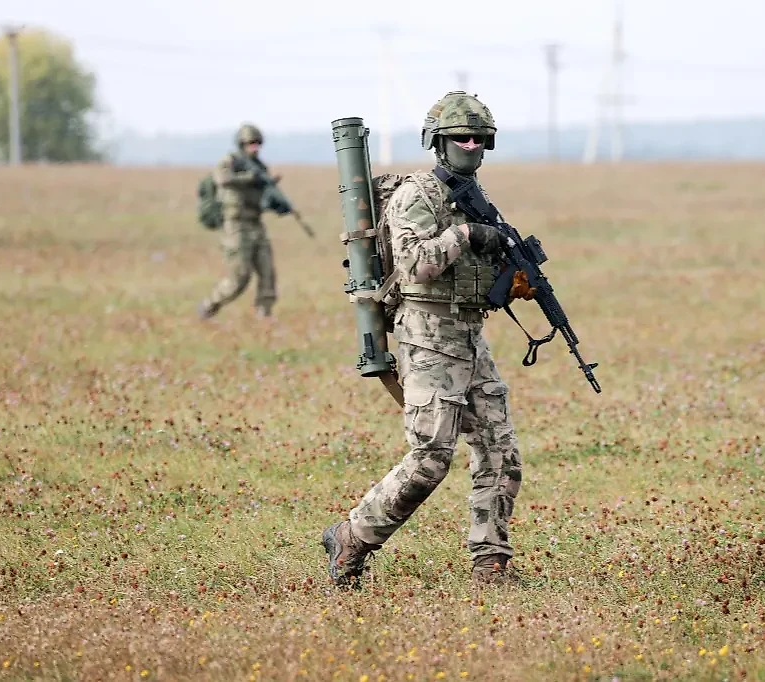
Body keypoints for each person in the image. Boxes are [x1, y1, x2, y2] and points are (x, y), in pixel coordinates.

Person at [322, 91, 535, 587]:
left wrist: (510, 272)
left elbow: (477, 263)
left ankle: (491, 563)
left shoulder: (473, 195)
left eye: (480, 137)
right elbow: (416, 261)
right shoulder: (417, 195)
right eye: (462, 135)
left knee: (501, 454)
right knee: (430, 459)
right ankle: (351, 538)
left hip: (469, 334)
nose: (472, 143)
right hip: (427, 335)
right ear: (438, 142)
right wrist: (466, 238)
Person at [197, 123, 281, 320]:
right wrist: (248, 178)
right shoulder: (231, 162)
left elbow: (264, 197)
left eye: (257, 144)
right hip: (236, 226)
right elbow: (222, 179)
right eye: (250, 143)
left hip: (256, 223)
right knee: (240, 277)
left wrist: (275, 201)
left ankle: (265, 315)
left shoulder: (260, 167)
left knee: (267, 272)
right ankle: (209, 305)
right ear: (241, 144)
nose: (254, 147)